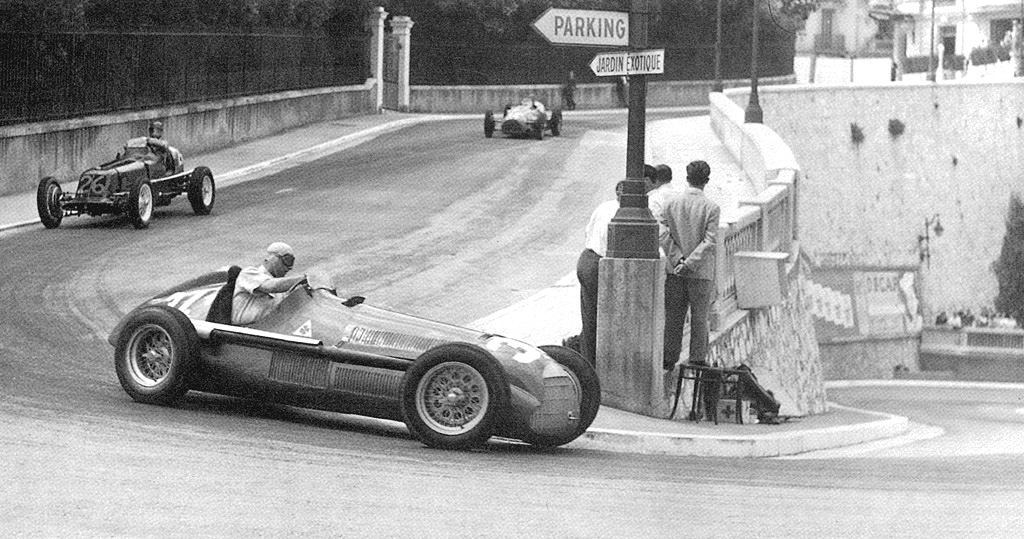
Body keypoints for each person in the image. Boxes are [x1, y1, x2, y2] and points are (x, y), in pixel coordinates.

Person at [658, 160, 721, 372]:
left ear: (687, 178)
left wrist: (678, 260)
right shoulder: (711, 208)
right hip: (700, 272)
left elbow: (662, 233)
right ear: (706, 181)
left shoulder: (671, 204)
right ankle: (697, 359)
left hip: (674, 271)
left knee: (673, 316)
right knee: (700, 317)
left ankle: (669, 358)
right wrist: (691, 263)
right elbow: (710, 241)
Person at [576, 180, 628, 367]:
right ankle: (594, 363)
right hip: (600, 263)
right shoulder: (621, 214)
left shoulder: (604, 206)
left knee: (589, 315)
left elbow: (588, 231)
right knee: (601, 318)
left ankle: (588, 360)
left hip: (587, 258)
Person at [232, 242, 308, 325]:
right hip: (239, 330)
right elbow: (271, 286)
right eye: (287, 260)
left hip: (267, 329)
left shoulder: (282, 292)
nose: (289, 268)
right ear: (272, 258)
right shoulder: (249, 273)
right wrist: (303, 278)